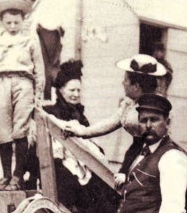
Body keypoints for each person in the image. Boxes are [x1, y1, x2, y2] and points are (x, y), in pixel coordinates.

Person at [42, 60, 118, 213]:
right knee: (84, 194)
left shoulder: (80, 115)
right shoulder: (52, 112)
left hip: (83, 163)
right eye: (71, 90)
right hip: (62, 162)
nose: (76, 94)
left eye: (78, 91)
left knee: (107, 193)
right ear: (61, 90)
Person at [62, 54, 166, 185]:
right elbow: (111, 122)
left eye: (126, 80)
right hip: (136, 156)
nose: (123, 83)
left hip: (151, 163)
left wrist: (128, 174)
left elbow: (150, 148)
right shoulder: (131, 104)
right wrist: (82, 132)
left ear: (136, 86)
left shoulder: (153, 110)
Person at [0, 0, 44, 191]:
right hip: (2, 83)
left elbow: (39, 70)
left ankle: (18, 176)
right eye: (8, 22)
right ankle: (6, 176)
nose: (12, 26)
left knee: (21, 129)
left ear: (22, 21)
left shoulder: (29, 41)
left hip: (23, 83)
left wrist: (37, 94)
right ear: (1, 22)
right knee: (4, 131)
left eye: (16, 22)